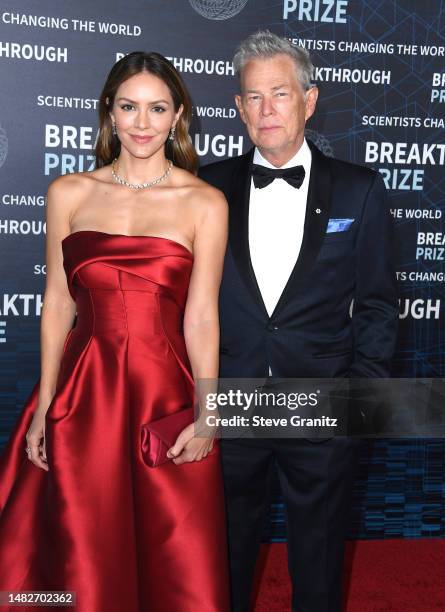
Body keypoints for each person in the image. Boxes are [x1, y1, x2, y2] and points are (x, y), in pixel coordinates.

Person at [0, 51, 230, 612]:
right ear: (109, 111)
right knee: (83, 540)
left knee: (176, 546)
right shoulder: (69, 193)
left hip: (165, 392)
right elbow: (57, 303)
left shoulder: (204, 202)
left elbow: (201, 314)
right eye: (129, 107)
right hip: (86, 394)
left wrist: (209, 411)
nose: (143, 123)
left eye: (157, 108)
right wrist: (46, 403)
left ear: (177, 116)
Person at [199, 31, 398, 612]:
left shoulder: (359, 191)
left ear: (309, 101)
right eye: (253, 97)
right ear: (237, 107)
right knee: (224, 555)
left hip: (322, 401)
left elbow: (381, 303)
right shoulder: (208, 188)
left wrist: (360, 395)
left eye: (280, 94)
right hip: (230, 399)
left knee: (318, 559)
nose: (266, 110)